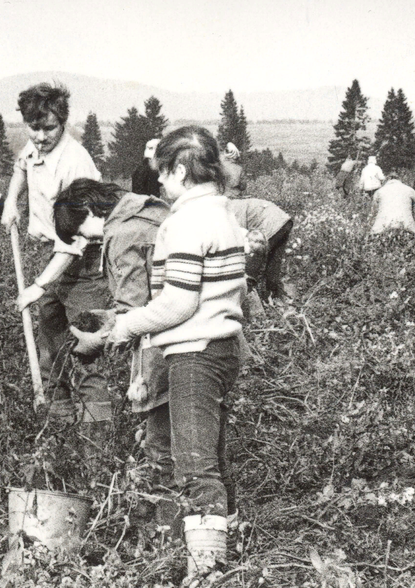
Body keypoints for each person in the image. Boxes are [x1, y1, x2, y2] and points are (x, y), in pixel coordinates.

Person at [104, 125, 247, 579]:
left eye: (163, 173)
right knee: (212, 455)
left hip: (194, 355)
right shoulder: (224, 214)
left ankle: (206, 571)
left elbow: (179, 302)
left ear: (181, 170)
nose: (159, 183)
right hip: (223, 348)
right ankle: (225, 549)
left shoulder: (185, 221)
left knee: (194, 465)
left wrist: (125, 326)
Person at [47, 179, 172, 521]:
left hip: (167, 350)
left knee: (163, 446)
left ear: (89, 211)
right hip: (207, 343)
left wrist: (95, 342)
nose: (89, 241)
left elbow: (135, 312)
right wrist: (104, 317)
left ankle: (166, 532)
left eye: (83, 233)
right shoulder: (153, 211)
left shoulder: (122, 233)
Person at [1, 82, 111, 431]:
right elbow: (21, 166)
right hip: (52, 259)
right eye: (34, 127)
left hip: (85, 264)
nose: (41, 135)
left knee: (86, 350)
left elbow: (75, 241)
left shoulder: (75, 162)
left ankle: (97, 446)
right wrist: (10, 202)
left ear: (63, 122)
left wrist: (38, 286)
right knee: (52, 348)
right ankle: (58, 428)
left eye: (49, 127)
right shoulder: (33, 147)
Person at [227, 198, 293, 302]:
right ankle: (273, 296)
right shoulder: (236, 203)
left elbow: (239, 235)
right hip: (285, 221)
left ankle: (247, 298)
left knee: (252, 261)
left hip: (271, 224)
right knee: (274, 262)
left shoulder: (230, 209)